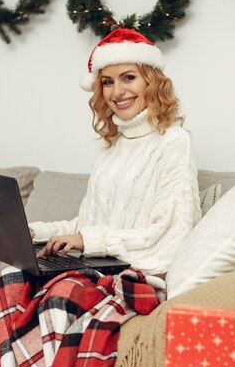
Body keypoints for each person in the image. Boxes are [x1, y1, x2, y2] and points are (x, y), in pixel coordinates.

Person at [29, 28, 201, 277]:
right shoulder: (112, 144)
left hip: (136, 273)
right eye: (107, 82)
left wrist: (86, 240)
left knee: (58, 292)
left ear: (151, 82)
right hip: (95, 264)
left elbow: (169, 231)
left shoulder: (174, 141)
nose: (117, 92)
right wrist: (38, 233)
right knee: (13, 275)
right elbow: (89, 225)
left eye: (128, 78)